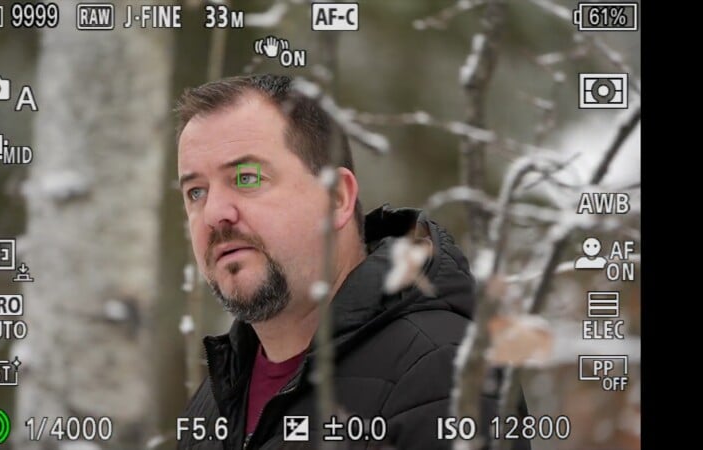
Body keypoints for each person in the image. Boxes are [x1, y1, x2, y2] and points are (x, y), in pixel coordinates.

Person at [175, 74, 529, 449]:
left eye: (246, 177)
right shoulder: (214, 401)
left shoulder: (442, 373)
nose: (214, 212)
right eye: (196, 191)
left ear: (338, 198)